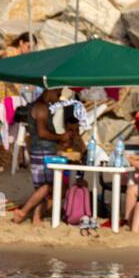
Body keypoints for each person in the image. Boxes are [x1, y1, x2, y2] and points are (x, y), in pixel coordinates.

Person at [11, 88, 82, 226]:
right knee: (48, 186)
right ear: (49, 91)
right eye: (57, 93)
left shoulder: (40, 107)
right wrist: (60, 137)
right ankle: (23, 211)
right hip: (42, 151)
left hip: (41, 150)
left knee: (42, 188)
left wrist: (60, 138)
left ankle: (36, 217)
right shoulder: (41, 108)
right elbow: (42, 133)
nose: (58, 97)